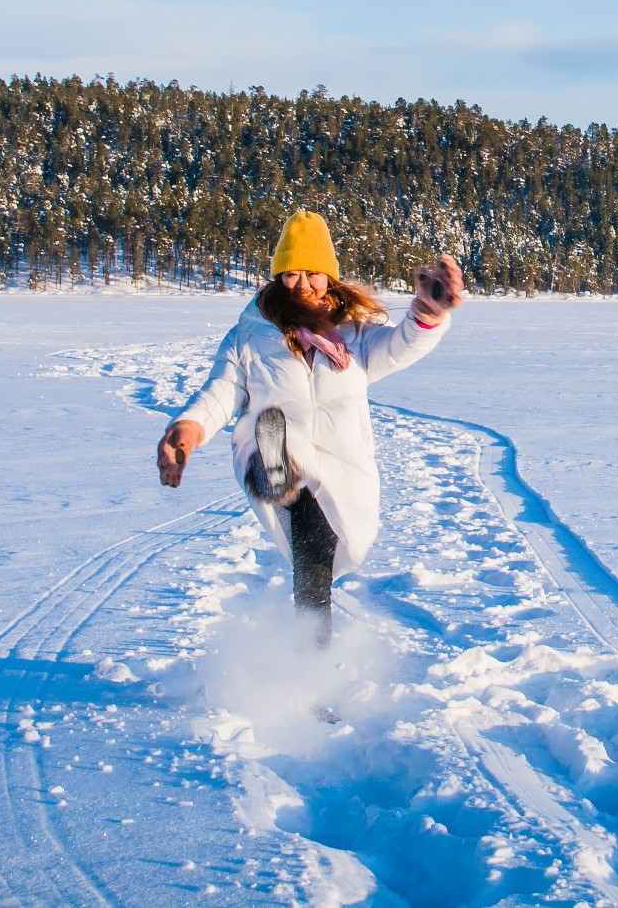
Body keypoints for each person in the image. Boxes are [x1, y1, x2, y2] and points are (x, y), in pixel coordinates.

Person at [155, 210, 464, 643]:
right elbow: (221, 393)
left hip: (342, 464)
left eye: (313, 274)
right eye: (291, 273)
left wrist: (427, 312)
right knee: (308, 532)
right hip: (274, 448)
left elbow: (399, 346)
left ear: (329, 276)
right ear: (277, 275)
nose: (302, 284)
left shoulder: (354, 334)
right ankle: (275, 467)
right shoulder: (250, 334)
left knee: (324, 558)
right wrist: (186, 431)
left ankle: (306, 665)